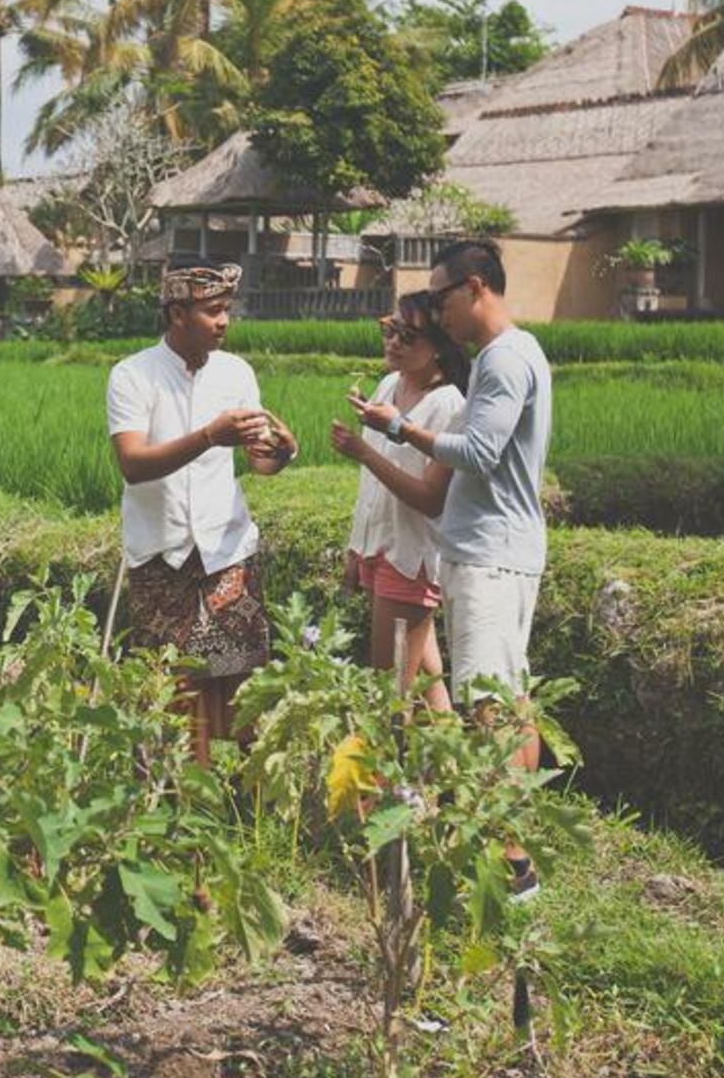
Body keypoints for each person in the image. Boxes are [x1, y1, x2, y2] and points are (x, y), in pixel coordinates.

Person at [347, 240, 553, 898]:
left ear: (472, 288)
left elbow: (479, 451)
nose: (436, 314)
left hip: (492, 553)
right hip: (498, 549)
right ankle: (509, 837)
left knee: (489, 705)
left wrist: (397, 429)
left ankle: (509, 858)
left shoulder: (501, 359)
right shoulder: (514, 355)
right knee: (506, 698)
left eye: (439, 300)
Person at [106, 262, 298, 765]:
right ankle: (180, 801)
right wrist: (210, 437)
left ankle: (238, 800)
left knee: (240, 683)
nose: (224, 321)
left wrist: (281, 452)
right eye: (212, 311)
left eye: (227, 310)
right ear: (176, 314)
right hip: (161, 555)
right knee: (173, 686)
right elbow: (132, 463)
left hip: (226, 552)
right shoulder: (132, 375)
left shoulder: (236, 373)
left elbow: (259, 464)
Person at [330, 291, 470, 712]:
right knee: (429, 688)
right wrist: (359, 546)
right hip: (383, 548)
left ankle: (390, 778)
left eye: (407, 336)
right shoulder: (390, 385)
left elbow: (430, 499)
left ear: (439, 348)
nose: (392, 342)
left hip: (411, 557)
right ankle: (453, 774)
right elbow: (370, 490)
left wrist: (363, 451)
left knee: (387, 696)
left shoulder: (449, 406)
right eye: (390, 330)